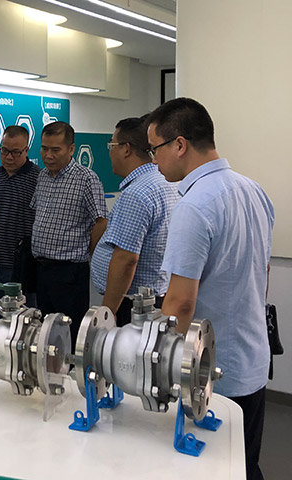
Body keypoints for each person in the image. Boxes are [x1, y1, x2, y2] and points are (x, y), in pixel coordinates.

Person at [146, 98, 274, 480]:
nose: (153, 161)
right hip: (252, 361)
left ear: (179, 145)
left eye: (154, 150)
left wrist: (154, 367)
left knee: (211, 469)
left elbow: (181, 304)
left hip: (210, 375)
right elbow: (263, 274)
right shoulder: (255, 191)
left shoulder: (194, 206)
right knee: (245, 464)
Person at [91, 116, 179, 326]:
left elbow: (126, 259)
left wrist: (108, 311)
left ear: (126, 149)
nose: (110, 152)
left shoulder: (137, 193)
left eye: (112, 145)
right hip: (158, 298)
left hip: (133, 307)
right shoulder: (167, 182)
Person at [31, 121, 107, 347]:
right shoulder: (43, 176)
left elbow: (101, 221)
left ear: (71, 149)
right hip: (42, 268)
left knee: (70, 333)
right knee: (46, 330)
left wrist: (87, 252)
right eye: (44, 148)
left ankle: (71, 369)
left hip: (69, 272)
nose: (48, 155)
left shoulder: (86, 179)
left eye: (56, 149)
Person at [0, 125, 40, 318]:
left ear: (26, 150)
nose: (8, 157)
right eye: (4, 151)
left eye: (15, 152)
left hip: (21, 265)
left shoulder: (38, 177)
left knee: (23, 320)